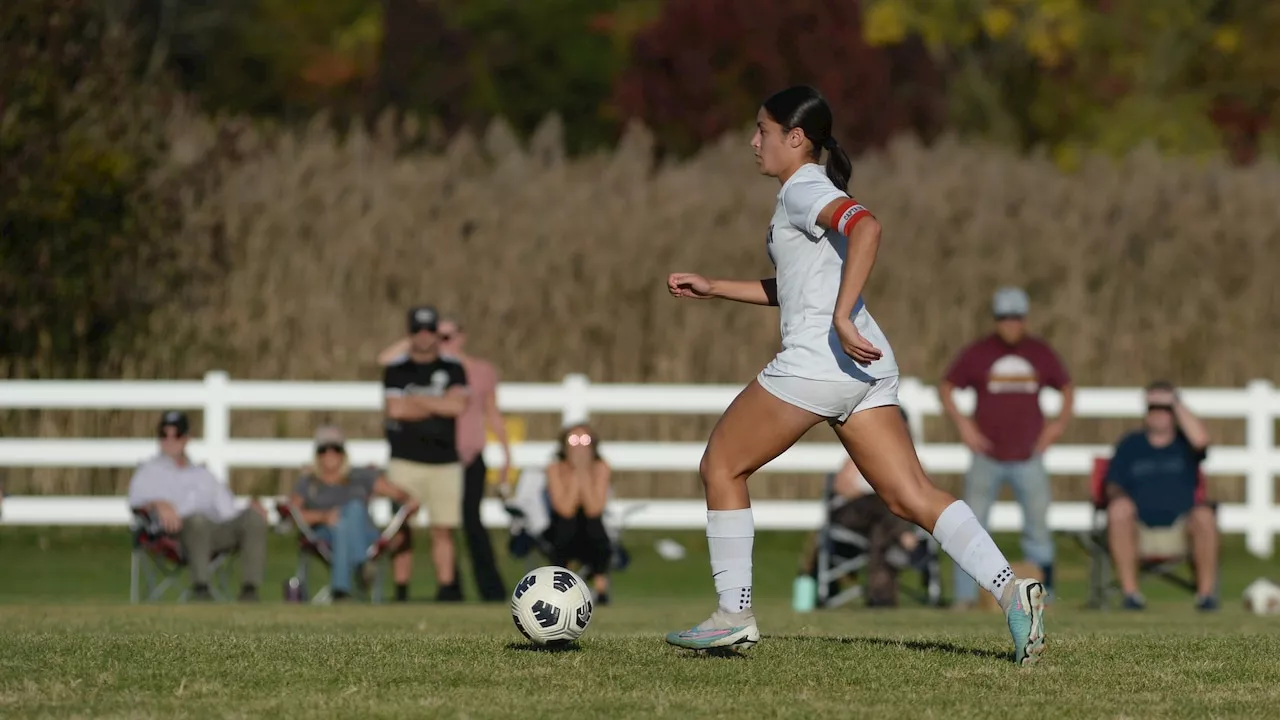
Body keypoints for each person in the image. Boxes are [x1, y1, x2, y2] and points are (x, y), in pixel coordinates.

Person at [663, 85, 1046, 666]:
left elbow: (867, 226)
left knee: (721, 465)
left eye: (761, 131)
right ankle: (1012, 590)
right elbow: (796, 290)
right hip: (864, 364)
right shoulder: (806, 192)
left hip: (819, 361)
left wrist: (841, 317)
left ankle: (733, 616)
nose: (753, 142)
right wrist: (717, 287)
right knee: (909, 495)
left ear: (796, 139)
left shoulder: (804, 187)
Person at [939, 286, 1074, 607]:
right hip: (986, 456)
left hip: (1029, 456)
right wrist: (965, 426)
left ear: (1024, 320)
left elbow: (1066, 387)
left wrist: (1056, 427)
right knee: (970, 529)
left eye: (1016, 318)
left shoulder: (1040, 353)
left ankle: (1044, 598)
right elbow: (946, 386)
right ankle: (965, 599)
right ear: (996, 319)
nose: (1010, 324)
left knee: (1038, 531)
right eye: (1004, 317)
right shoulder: (979, 352)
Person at [378, 315, 512, 602]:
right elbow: (385, 359)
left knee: (469, 525)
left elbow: (491, 414)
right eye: (439, 335)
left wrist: (506, 456)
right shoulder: (425, 365)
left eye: (448, 335)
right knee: (428, 526)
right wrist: (417, 338)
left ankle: (491, 592)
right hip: (441, 454)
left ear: (463, 336)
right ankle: (452, 588)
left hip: (469, 456)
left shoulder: (479, 370)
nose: (442, 340)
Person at [126, 410, 268, 601]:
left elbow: (228, 511)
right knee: (196, 520)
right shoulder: (148, 471)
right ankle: (201, 588)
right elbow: (135, 501)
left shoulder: (202, 473)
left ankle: (250, 590)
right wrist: (157, 503)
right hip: (173, 534)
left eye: (175, 434)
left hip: (213, 531)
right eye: (163, 434)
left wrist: (250, 509)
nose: (169, 440)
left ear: (186, 438)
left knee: (252, 517)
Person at [382, 305, 469, 602]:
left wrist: (416, 400)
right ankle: (401, 590)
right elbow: (395, 409)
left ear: (437, 333)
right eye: (417, 330)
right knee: (402, 528)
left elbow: (457, 406)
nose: (424, 336)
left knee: (442, 529)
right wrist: (437, 403)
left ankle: (446, 590)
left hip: (445, 462)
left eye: (430, 330)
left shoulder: (453, 368)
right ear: (409, 333)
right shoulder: (396, 369)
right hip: (405, 460)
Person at [797, 408, 927, 607]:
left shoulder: (910, 459)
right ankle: (908, 541)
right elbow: (841, 485)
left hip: (883, 521)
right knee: (885, 501)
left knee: (883, 526)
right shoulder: (865, 449)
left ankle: (881, 599)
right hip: (853, 512)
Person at [1105, 381, 1216, 610]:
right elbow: (1112, 485)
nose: (1158, 414)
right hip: (1137, 530)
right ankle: (1131, 596)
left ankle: (1205, 597)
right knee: (1118, 510)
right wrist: (1121, 500)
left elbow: (1202, 441)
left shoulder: (1185, 444)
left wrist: (1174, 401)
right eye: (1153, 408)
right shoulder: (1130, 445)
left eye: (1164, 409)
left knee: (1205, 515)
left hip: (1182, 530)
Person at [290, 424, 417, 602]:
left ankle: (342, 589)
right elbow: (294, 513)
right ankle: (361, 568)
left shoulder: (361, 476)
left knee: (354, 509)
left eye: (336, 449)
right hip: (326, 535)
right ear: (317, 454)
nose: (330, 454)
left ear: (344, 452)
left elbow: (397, 493)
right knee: (342, 524)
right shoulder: (308, 482)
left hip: (366, 535)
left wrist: (410, 501)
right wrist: (324, 517)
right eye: (324, 449)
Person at [545, 422, 613, 604]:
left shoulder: (601, 467)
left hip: (591, 529)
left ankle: (601, 589)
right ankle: (561, 587)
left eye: (584, 440)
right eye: (574, 440)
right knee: (567, 526)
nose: (579, 446)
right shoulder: (555, 468)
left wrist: (584, 473)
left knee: (595, 527)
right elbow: (565, 508)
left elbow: (594, 508)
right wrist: (576, 474)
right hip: (562, 527)